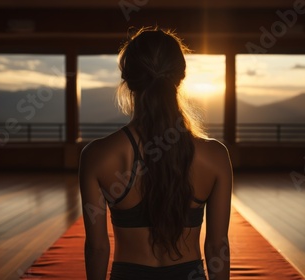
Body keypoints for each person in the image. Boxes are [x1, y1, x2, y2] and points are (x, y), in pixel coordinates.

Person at [79, 27, 232, 280]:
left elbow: (97, 248)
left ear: (127, 79)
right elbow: (217, 247)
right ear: (180, 77)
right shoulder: (215, 156)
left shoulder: (96, 156)